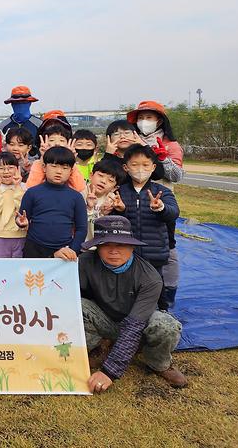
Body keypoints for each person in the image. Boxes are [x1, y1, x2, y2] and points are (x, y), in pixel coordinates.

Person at [73, 215, 186, 392]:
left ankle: (159, 363)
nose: (114, 251)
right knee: (75, 305)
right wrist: (59, 257)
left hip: (139, 324)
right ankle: (98, 347)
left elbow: (134, 325)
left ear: (132, 246)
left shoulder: (149, 278)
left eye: (121, 244)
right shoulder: (84, 262)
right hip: (105, 318)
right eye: (107, 244)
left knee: (166, 326)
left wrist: (109, 372)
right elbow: (59, 289)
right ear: (98, 246)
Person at [127, 100, 184, 310]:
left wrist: (163, 158)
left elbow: (177, 175)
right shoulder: (130, 140)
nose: (144, 122)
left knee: (166, 245)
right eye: (141, 118)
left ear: (160, 120)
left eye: (149, 117)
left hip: (161, 200)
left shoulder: (170, 145)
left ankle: (167, 295)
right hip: (132, 199)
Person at [114, 145, 179, 276]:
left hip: (155, 255)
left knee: (154, 290)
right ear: (126, 167)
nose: (140, 169)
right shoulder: (119, 192)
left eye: (145, 165)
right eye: (134, 165)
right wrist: (121, 210)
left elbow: (174, 213)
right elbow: (112, 221)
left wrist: (161, 208)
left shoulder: (162, 191)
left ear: (153, 167)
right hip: (126, 254)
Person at [16, 146, 87, 260]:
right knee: (32, 277)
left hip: (65, 250)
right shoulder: (32, 193)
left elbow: (81, 228)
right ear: (44, 167)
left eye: (65, 168)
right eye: (54, 166)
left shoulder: (76, 197)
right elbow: (21, 218)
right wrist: (20, 222)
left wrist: (73, 250)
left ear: (71, 171)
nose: (59, 171)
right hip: (34, 248)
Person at [0, 152, 27, 258]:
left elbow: (22, 209)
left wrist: (17, 186)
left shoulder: (24, 187)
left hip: (21, 235)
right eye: (1, 168)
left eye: (10, 167)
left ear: (17, 169)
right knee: (0, 269)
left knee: (19, 270)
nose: (6, 171)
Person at [25, 121, 86, 192]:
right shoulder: (37, 163)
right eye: (52, 140)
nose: (57, 143)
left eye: (62, 140)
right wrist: (43, 158)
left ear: (68, 143)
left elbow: (80, 187)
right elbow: (31, 187)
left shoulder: (71, 165)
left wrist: (71, 160)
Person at [85, 159, 127, 240]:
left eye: (110, 180)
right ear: (91, 175)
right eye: (100, 175)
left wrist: (103, 214)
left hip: (99, 244)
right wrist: (89, 208)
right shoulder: (80, 192)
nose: (103, 181)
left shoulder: (111, 200)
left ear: (115, 188)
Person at [0, 85, 43, 156]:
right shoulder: (3, 126)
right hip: (10, 164)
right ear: (12, 104)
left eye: (24, 102)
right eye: (16, 103)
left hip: (33, 163)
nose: (20, 105)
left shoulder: (39, 124)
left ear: (30, 103)